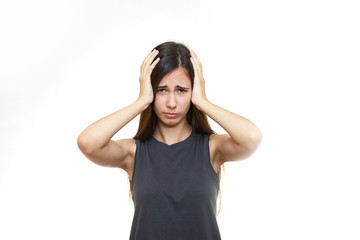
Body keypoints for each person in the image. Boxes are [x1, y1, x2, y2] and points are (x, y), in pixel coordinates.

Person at [77, 41, 262, 240]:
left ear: (194, 90)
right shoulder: (134, 152)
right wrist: (141, 101)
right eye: (161, 90)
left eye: (181, 90)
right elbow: (88, 142)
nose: (171, 103)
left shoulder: (212, 148)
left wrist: (203, 102)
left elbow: (251, 137)